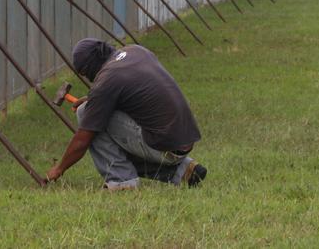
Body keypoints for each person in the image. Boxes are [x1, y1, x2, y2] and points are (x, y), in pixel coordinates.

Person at [45, 38, 206, 190]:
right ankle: (184, 170)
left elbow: (82, 140)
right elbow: (136, 91)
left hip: (164, 147)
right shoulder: (135, 51)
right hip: (183, 141)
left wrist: (59, 169)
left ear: (89, 67)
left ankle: (122, 181)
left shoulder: (108, 80)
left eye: (85, 73)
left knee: (84, 112)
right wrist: (94, 99)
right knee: (95, 114)